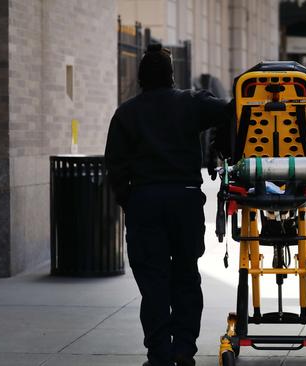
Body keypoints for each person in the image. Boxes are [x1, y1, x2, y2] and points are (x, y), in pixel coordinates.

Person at [105, 44, 231, 366]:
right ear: (172, 75)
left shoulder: (126, 114)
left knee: (154, 283)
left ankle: (159, 355)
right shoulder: (190, 103)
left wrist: (128, 201)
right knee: (187, 275)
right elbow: (232, 110)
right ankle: (184, 350)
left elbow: (115, 166)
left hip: (145, 201)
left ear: (140, 78)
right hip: (185, 199)